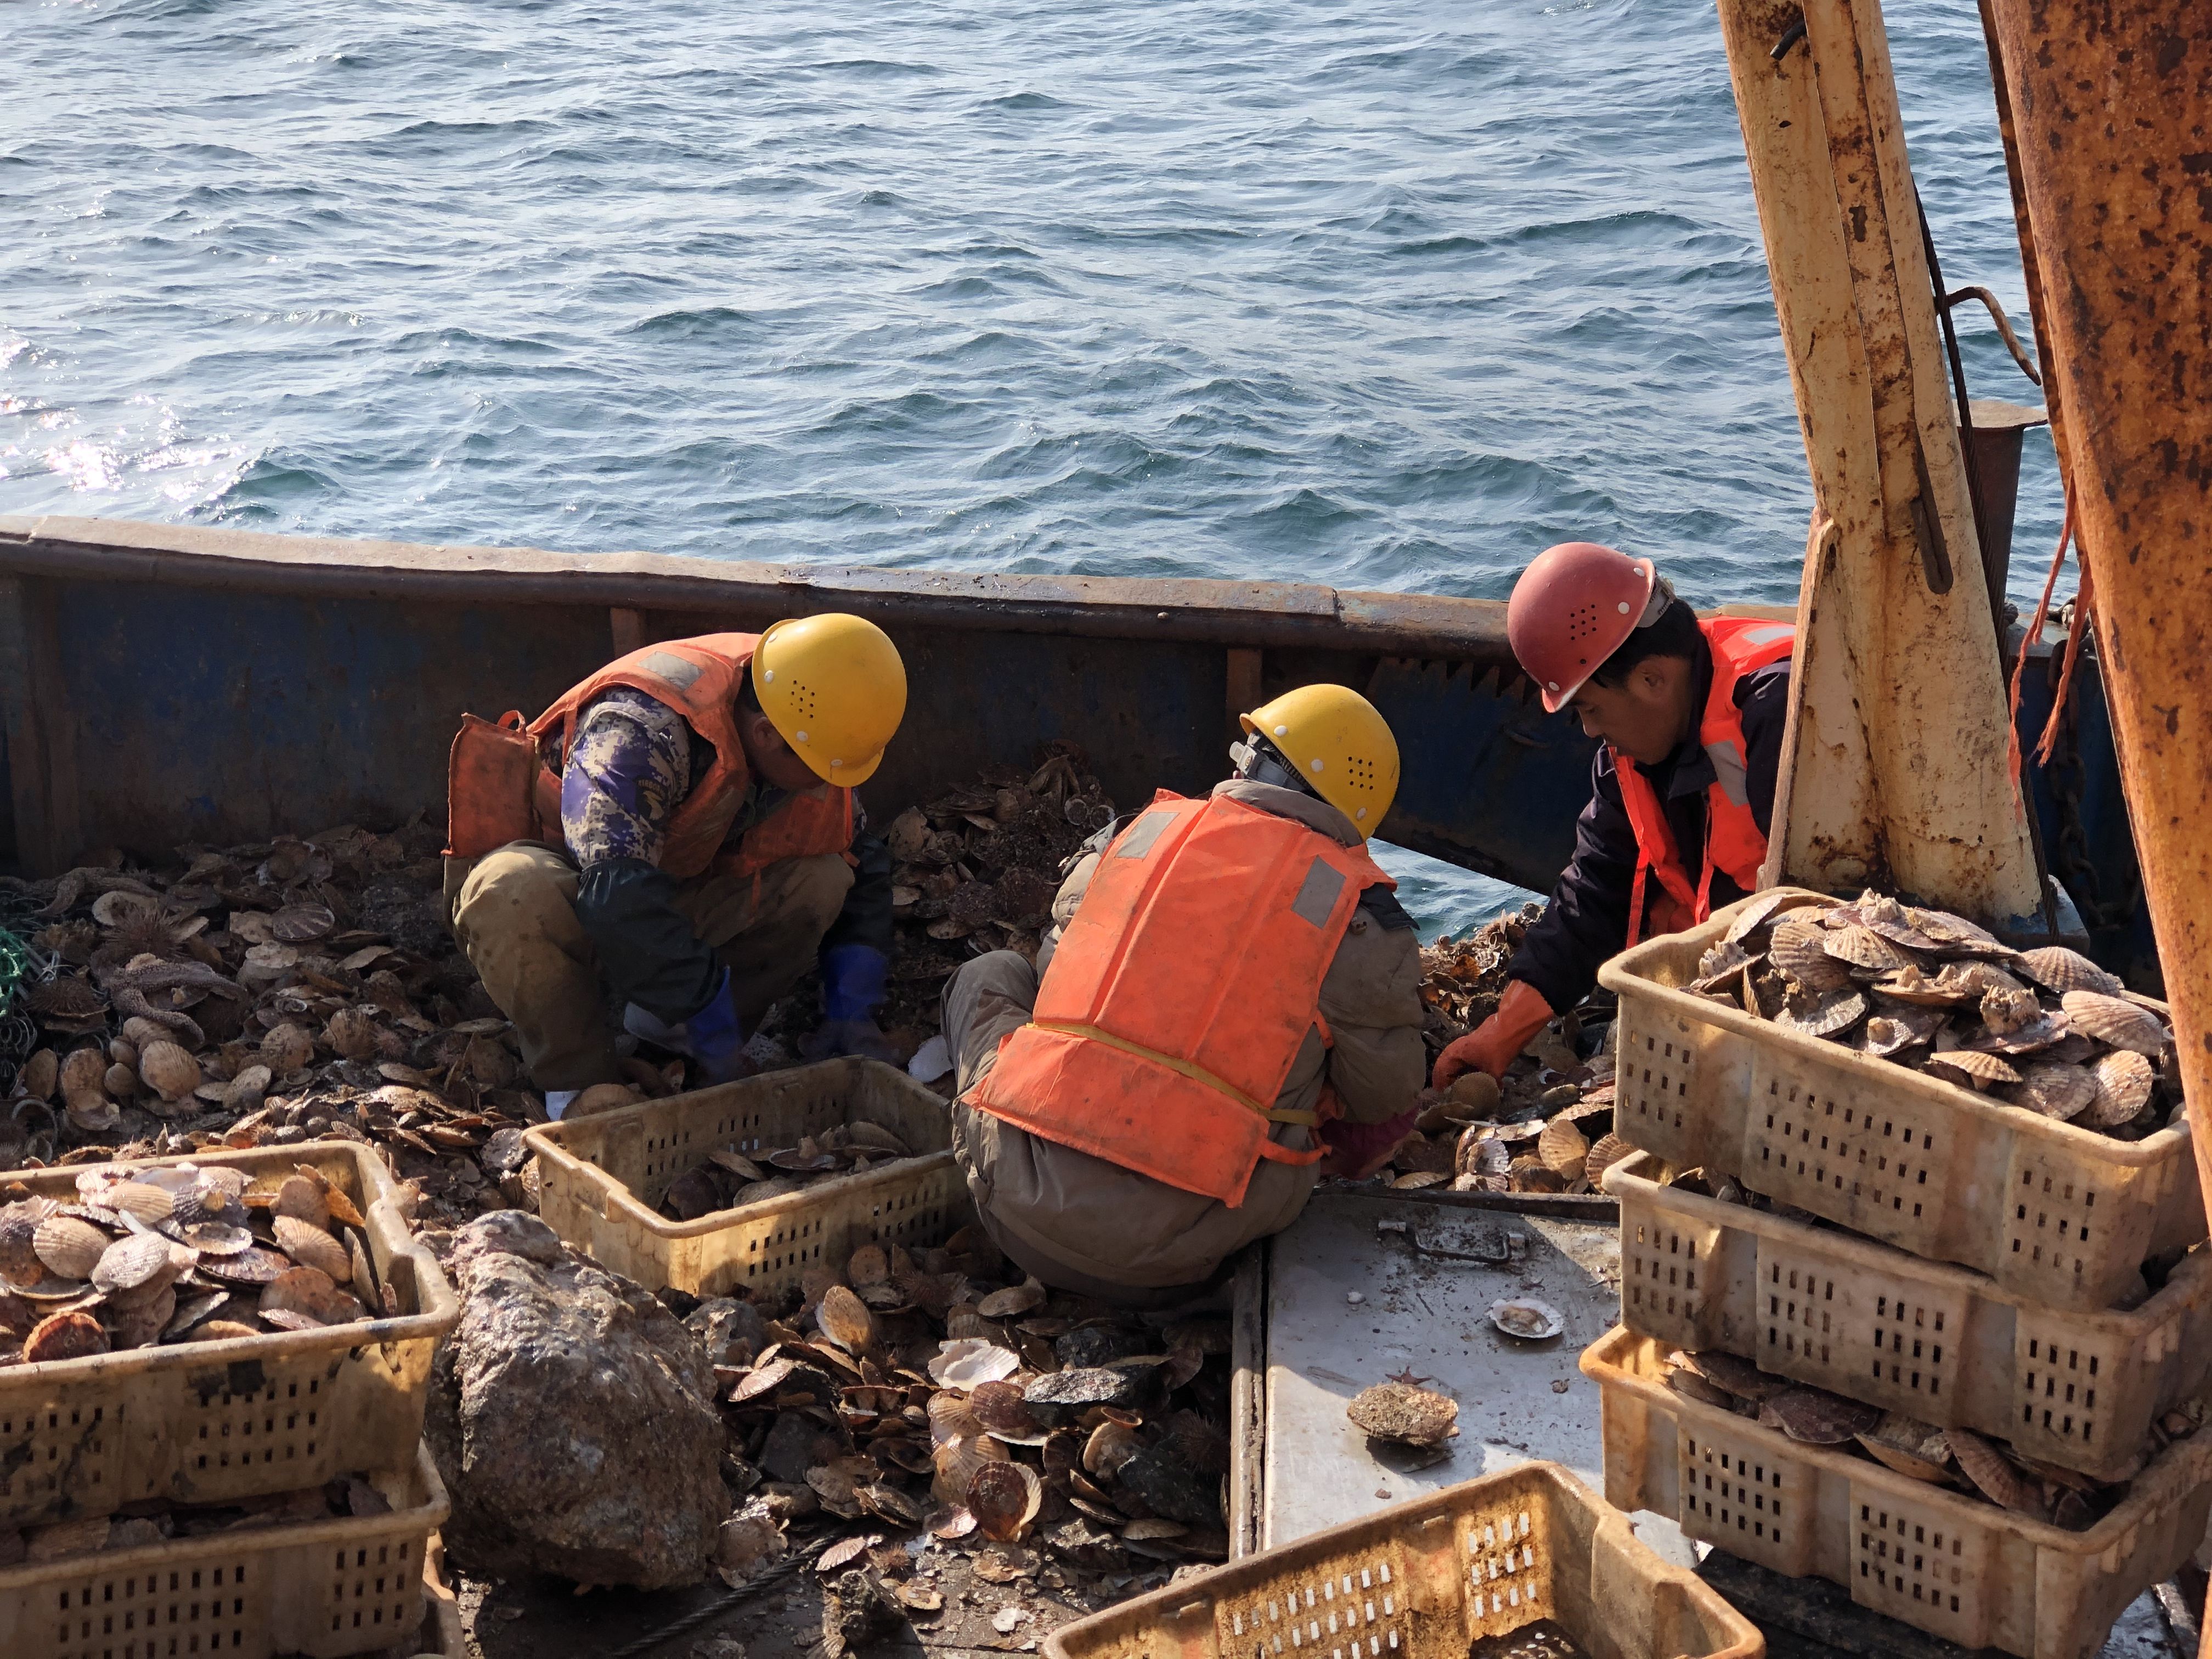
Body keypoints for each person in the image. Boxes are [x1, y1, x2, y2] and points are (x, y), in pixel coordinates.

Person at [944, 685, 1428, 1306]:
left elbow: (1051, 977)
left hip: (1016, 1216)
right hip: (1186, 1255)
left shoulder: (1137, 835)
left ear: (1249, 762)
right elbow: (1381, 1100)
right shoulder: (1361, 916)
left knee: (989, 974)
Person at [442, 614, 907, 1118]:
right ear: (767, 735)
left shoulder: (812, 703)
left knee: (823, 879)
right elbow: (614, 901)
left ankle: (670, 1034)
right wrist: (705, 1004)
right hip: (576, 885)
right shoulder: (639, 730)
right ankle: (578, 1086)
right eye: (820, 770)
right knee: (506, 890)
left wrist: (852, 1006)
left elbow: (862, 854)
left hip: (669, 881)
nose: (826, 783)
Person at [1434, 542, 1794, 1090]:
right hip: (1726, 990)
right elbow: (1595, 892)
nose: (1590, 731)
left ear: (1651, 680)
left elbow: (1835, 901)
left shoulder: (1779, 713)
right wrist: (1499, 1037)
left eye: (1591, 708)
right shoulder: (1629, 759)